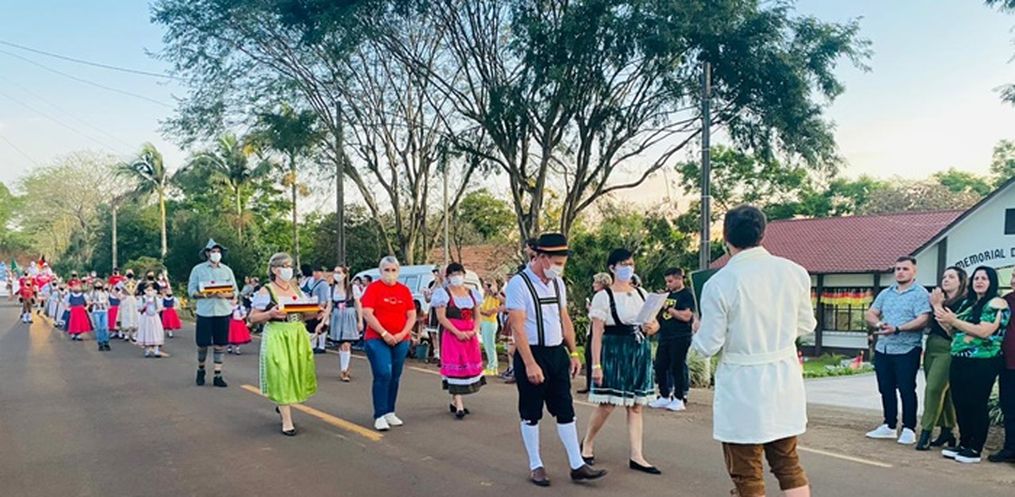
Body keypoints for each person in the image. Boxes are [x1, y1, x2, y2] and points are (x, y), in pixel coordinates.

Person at [692, 205, 814, 497]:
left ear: (726, 236)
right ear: (762, 234)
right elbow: (806, 324)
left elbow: (708, 345)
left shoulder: (720, 282)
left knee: (746, 472)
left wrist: (698, 330)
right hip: (783, 379)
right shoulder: (794, 272)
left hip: (742, 385)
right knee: (788, 464)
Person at [505, 233, 605, 487]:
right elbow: (517, 326)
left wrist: (573, 352)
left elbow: (564, 318)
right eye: (557, 262)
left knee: (565, 409)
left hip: (556, 354)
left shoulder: (557, 284)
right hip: (532, 353)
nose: (560, 267)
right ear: (541, 257)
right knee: (531, 412)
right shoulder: (519, 284)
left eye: (562, 262)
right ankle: (536, 465)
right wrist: (529, 363)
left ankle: (577, 464)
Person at [581, 248, 661, 475]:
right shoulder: (603, 296)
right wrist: (596, 365)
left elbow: (654, 324)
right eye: (624, 264)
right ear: (612, 268)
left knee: (636, 406)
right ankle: (587, 443)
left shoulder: (642, 293)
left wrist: (652, 327)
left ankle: (637, 455)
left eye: (631, 264)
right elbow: (597, 333)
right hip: (614, 350)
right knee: (607, 403)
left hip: (639, 350)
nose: (628, 268)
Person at [935, 266, 1010, 464]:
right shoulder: (968, 303)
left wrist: (954, 321)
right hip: (960, 358)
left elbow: (984, 331)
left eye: (984, 278)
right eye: (976, 278)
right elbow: (953, 331)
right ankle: (964, 442)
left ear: (992, 281)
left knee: (976, 403)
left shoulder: (997, 303)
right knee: (961, 402)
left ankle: (975, 448)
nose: (979, 282)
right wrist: (939, 310)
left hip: (984, 360)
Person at [249, 252, 320, 436]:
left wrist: (315, 312)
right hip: (277, 333)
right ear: (275, 270)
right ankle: (287, 420)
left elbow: (305, 314)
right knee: (281, 372)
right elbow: (253, 317)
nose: (289, 270)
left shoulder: (297, 290)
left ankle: (283, 405)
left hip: (297, 332)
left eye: (290, 266)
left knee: (297, 371)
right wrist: (270, 314)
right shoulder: (266, 290)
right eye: (285, 266)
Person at [864, 256, 931, 445]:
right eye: (898, 269)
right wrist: (879, 324)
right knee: (885, 388)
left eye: (905, 269)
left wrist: (898, 329)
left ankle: (909, 428)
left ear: (914, 272)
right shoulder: (886, 293)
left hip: (907, 349)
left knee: (906, 389)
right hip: (884, 348)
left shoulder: (920, 294)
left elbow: (923, 319)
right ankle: (889, 425)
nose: (900, 272)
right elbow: (871, 313)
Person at [361, 256, 416, 431]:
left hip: (400, 339)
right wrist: (384, 333)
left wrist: (402, 334)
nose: (390, 273)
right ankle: (379, 414)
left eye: (393, 270)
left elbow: (411, 315)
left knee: (395, 375)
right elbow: (367, 313)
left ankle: (389, 411)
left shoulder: (404, 290)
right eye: (387, 270)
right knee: (383, 373)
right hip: (377, 338)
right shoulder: (373, 289)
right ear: (380, 271)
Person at [918, 267, 967, 450]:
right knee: (944, 393)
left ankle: (926, 431)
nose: (946, 280)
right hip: (932, 345)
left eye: (951, 277)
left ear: (961, 281)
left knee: (934, 389)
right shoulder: (940, 299)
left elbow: (952, 329)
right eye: (944, 276)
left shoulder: (964, 302)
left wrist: (937, 306)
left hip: (949, 348)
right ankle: (948, 431)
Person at [432, 263, 486, 419]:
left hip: (469, 334)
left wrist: (474, 330)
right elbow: (441, 317)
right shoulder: (443, 294)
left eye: (459, 274)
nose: (457, 277)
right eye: (453, 274)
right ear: (448, 277)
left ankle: (455, 401)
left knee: (465, 365)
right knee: (454, 365)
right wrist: (457, 332)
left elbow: (477, 315)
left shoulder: (472, 293)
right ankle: (459, 404)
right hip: (452, 334)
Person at [187, 239, 238, 388]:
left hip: (222, 311)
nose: (216, 254)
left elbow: (235, 291)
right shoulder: (198, 270)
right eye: (213, 251)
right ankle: (201, 369)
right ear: (207, 253)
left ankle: (218, 374)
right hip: (205, 311)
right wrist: (203, 295)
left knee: (220, 344)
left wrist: (225, 295)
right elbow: (191, 290)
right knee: (202, 344)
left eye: (218, 251)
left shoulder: (227, 270)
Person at [649, 267, 695, 412]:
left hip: (680, 336)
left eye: (670, 281)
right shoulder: (666, 294)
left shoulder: (687, 295)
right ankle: (664, 395)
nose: (668, 284)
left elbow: (686, 316)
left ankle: (679, 397)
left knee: (677, 366)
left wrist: (668, 308)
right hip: (665, 335)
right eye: (666, 281)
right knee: (660, 365)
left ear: (679, 279)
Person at [989, 269, 1015, 463]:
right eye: (1013, 276)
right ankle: (1010, 448)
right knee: (1009, 407)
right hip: (1008, 363)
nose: (1014, 280)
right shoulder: (1005, 302)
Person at [578, 273, 612, 395]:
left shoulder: (602, 296)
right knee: (589, 355)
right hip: (595, 329)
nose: (593, 285)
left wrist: (590, 310)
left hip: (599, 330)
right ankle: (590, 383)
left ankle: (593, 384)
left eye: (596, 282)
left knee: (591, 354)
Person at [327, 265, 362, 382]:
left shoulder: (353, 288)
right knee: (341, 344)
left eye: (339, 272)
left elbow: (358, 304)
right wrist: (323, 321)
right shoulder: (331, 289)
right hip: (337, 316)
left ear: (345, 274)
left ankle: (344, 370)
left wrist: (360, 321)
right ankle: (344, 366)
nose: (336, 275)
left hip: (349, 315)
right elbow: (329, 306)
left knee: (346, 343)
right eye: (335, 272)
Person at [479, 279, 503, 376]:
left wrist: (478, 310)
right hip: (484, 322)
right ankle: (491, 365)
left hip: (490, 322)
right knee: (486, 345)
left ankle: (493, 366)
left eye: (486, 285)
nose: (484, 286)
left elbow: (489, 312)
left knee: (490, 346)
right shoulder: (486, 297)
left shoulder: (495, 297)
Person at [306, 266, 331, 354]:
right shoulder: (314, 283)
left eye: (317, 272)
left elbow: (323, 299)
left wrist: (321, 310)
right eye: (314, 272)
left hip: (321, 308)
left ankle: (321, 346)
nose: (315, 274)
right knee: (313, 327)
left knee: (321, 326)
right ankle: (314, 345)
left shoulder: (323, 284)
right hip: (314, 307)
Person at [136, 283, 166, 358]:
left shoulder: (156, 298)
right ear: (145, 291)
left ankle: (156, 350)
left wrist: (156, 311)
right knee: (146, 332)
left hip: (154, 318)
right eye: (148, 290)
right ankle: (147, 350)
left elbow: (160, 307)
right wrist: (144, 305)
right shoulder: (142, 299)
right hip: (145, 318)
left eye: (151, 290)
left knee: (155, 332)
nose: (149, 291)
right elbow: (139, 308)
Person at [89, 281, 112, 351]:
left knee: (104, 327)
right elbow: (89, 301)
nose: (98, 285)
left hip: (104, 311)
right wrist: (93, 303)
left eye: (100, 284)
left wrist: (106, 304)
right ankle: (100, 342)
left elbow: (107, 301)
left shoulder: (105, 293)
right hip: (96, 311)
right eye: (97, 284)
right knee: (98, 328)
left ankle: (106, 342)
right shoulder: (92, 293)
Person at [118, 271, 140, 341]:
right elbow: (114, 290)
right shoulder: (122, 283)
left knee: (134, 316)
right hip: (126, 300)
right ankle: (126, 334)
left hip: (133, 300)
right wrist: (120, 296)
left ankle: (134, 334)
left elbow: (139, 292)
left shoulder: (136, 283)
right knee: (125, 316)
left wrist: (138, 296)